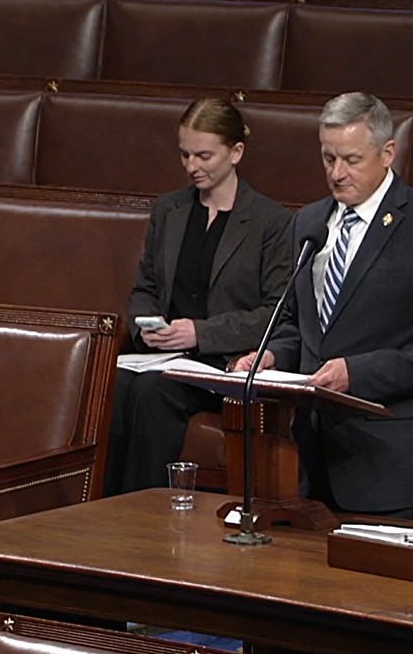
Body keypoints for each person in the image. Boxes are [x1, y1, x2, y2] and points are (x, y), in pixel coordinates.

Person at [233, 91, 413, 523]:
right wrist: (274, 354)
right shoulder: (309, 223)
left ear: (388, 154)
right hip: (312, 459)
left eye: (351, 159)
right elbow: (298, 324)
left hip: (393, 462)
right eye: (328, 158)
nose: (336, 173)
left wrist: (358, 372)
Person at [103, 97, 294, 496]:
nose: (192, 165)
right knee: (114, 384)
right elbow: (144, 289)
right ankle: (100, 509)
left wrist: (200, 334)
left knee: (154, 393)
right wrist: (148, 326)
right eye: (185, 154)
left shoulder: (269, 221)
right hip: (160, 354)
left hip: (217, 362)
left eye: (204, 155)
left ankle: (142, 512)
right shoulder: (169, 209)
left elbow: (277, 312)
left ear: (236, 152)